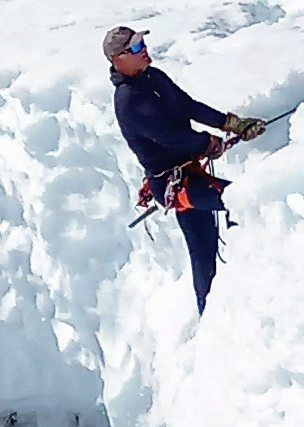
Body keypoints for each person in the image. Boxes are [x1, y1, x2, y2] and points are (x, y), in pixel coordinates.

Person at [105, 25, 263, 312]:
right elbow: (169, 138)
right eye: (137, 48)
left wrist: (231, 123)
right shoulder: (129, 100)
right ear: (119, 59)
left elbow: (188, 106)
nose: (145, 51)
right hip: (172, 185)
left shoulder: (154, 78)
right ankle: (212, 314)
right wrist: (208, 143)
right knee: (239, 202)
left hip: (190, 174)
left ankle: (215, 312)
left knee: (203, 252)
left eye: (143, 45)